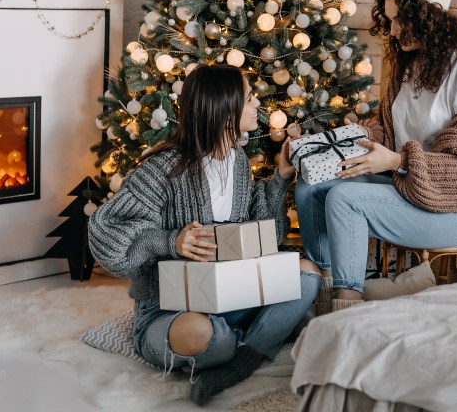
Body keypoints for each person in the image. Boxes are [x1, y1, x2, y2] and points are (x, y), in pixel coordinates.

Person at [295, 0, 457, 313]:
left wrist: (395, 162)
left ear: (427, 16)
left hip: (455, 209)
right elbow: (389, 132)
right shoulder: (407, 67)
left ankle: (347, 311)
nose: (391, 31)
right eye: (388, 20)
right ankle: (323, 301)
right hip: (405, 189)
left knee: (344, 198)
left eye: (398, 21)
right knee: (313, 184)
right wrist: (351, 138)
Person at [88, 64, 320, 406]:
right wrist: (170, 241)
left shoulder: (237, 161)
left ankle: (238, 361)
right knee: (206, 335)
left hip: (232, 299)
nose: (258, 104)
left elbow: (265, 232)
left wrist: (282, 176)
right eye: (250, 98)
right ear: (227, 112)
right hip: (169, 311)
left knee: (307, 276)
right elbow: (104, 231)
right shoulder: (164, 168)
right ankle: (255, 343)